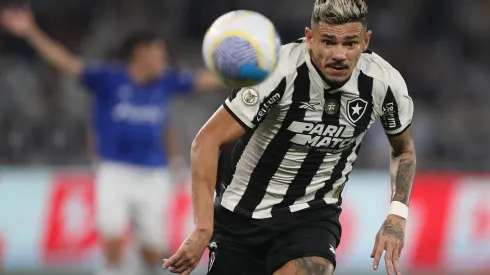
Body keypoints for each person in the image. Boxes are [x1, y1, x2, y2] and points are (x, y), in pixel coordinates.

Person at [163, 0, 417, 275]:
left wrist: (397, 215)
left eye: (350, 43)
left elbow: (404, 150)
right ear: (309, 38)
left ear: (365, 41)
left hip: (311, 215)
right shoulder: (276, 72)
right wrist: (203, 228)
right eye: (328, 42)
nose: (339, 54)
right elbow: (206, 142)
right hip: (239, 215)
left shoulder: (383, 83)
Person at [0, 6, 224, 275]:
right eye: (159, 52)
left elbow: (204, 81)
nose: (164, 59)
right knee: (113, 239)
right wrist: (31, 32)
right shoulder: (108, 79)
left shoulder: (166, 82)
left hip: (153, 174)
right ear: (141, 54)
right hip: (114, 171)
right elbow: (66, 62)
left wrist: (251, 75)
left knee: (152, 249)